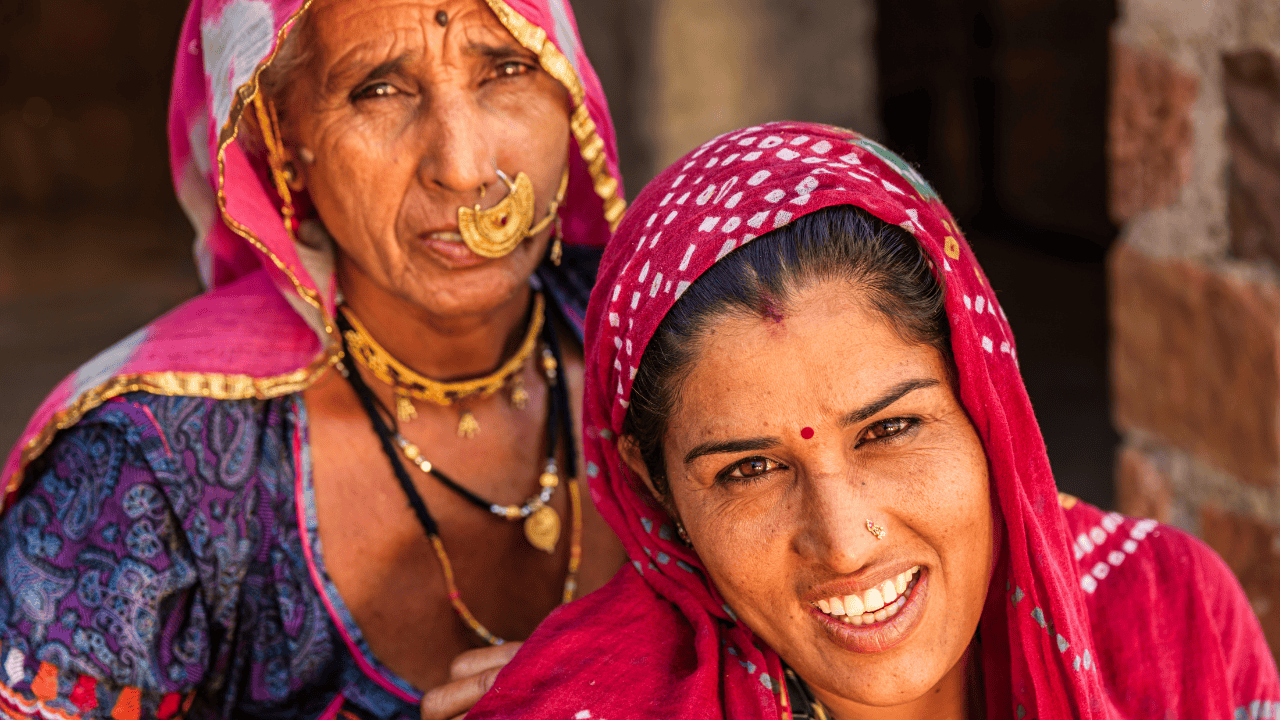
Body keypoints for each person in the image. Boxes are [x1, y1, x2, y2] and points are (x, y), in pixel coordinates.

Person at [465, 121, 1280, 719]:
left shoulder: (1171, 616)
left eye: (890, 430)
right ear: (657, 489)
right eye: (749, 469)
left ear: (983, 401)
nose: (846, 541)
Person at [0, 0, 627, 717]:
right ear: (282, 134)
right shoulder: (144, 468)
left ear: (569, 89)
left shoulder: (664, 347)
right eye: (379, 89)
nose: (464, 168)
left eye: (509, 69)